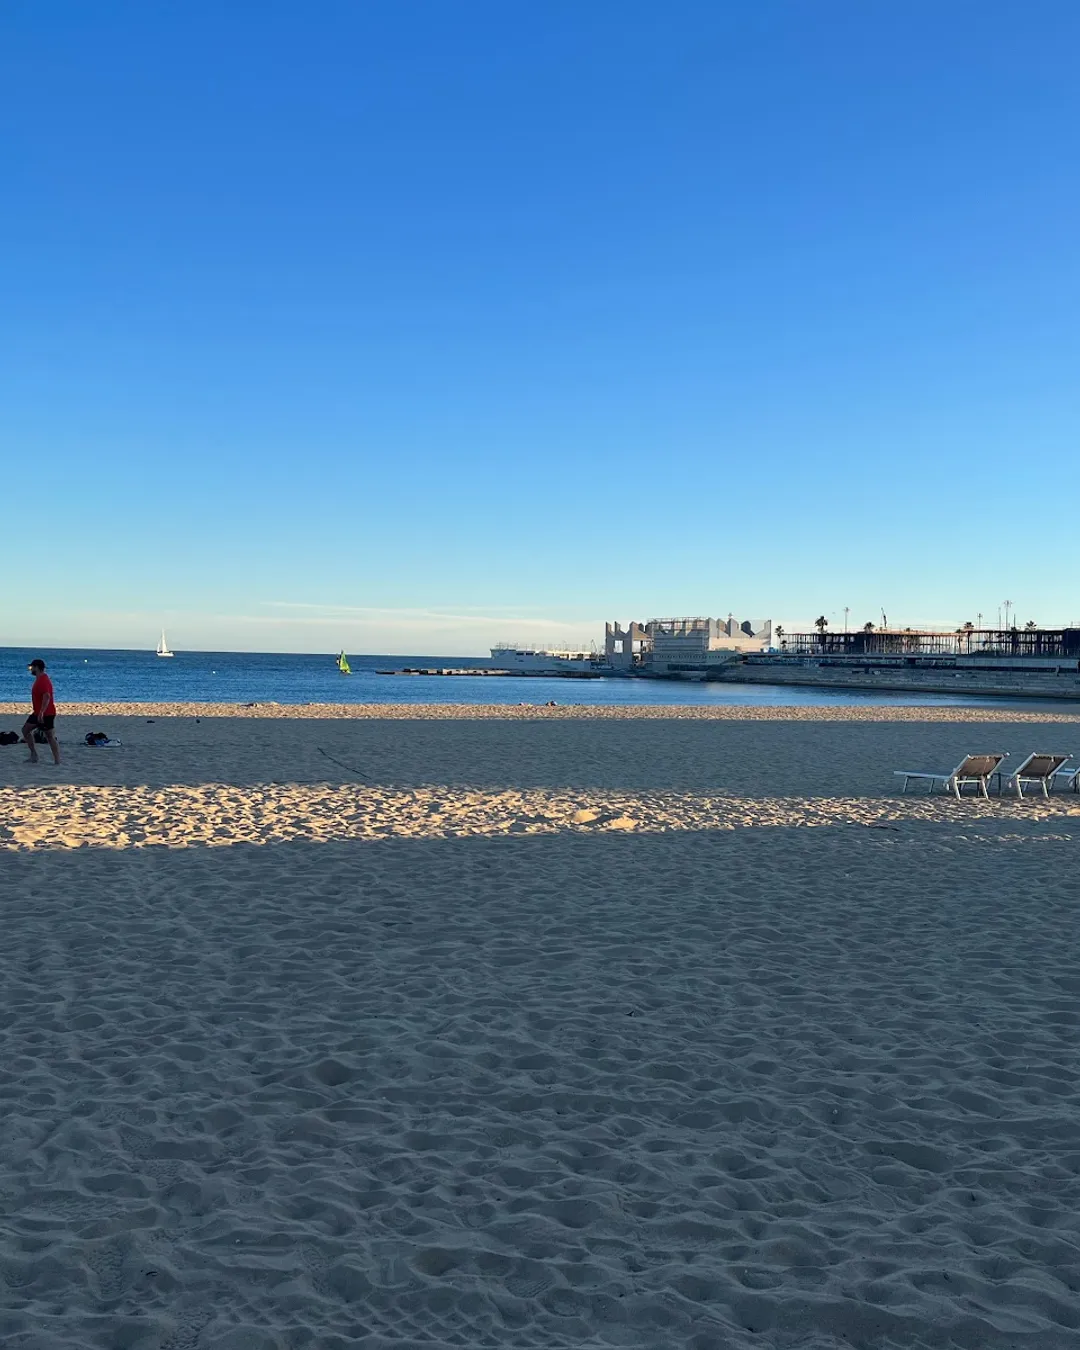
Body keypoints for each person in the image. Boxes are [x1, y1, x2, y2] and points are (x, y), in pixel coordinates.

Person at [23, 659, 61, 764]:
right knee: (25, 730)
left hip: (46, 713)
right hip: (38, 713)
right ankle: (34, 755)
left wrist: (41, 712)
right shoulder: (39, 679)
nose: (30, 669)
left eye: (32, 667)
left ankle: (57, 760)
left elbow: (47, 696)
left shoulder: (43, 680)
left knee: (49, 736)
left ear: (37, 667)